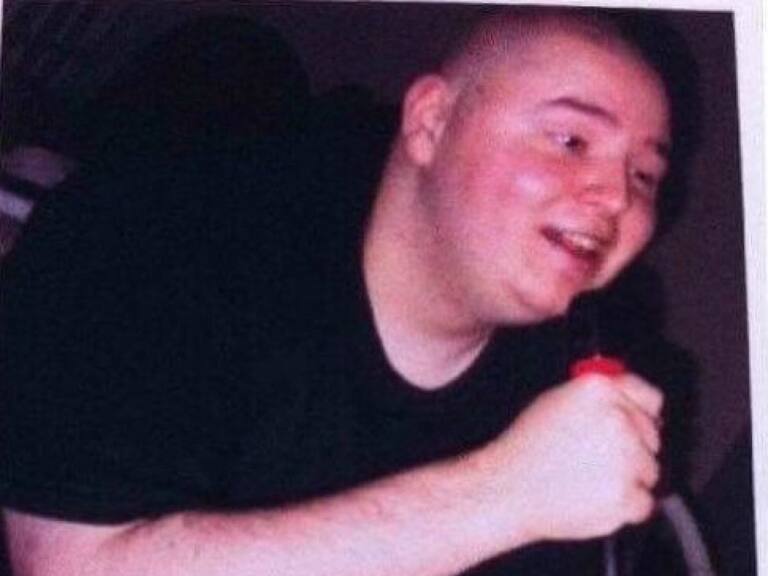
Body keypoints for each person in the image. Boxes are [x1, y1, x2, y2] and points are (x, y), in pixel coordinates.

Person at [0, 7, 691, 576]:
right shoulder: (160, 230)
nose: (616, 198)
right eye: (571, 140)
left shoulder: (580, 389)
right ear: (431, 122)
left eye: (644, 176)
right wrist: (503, 496)